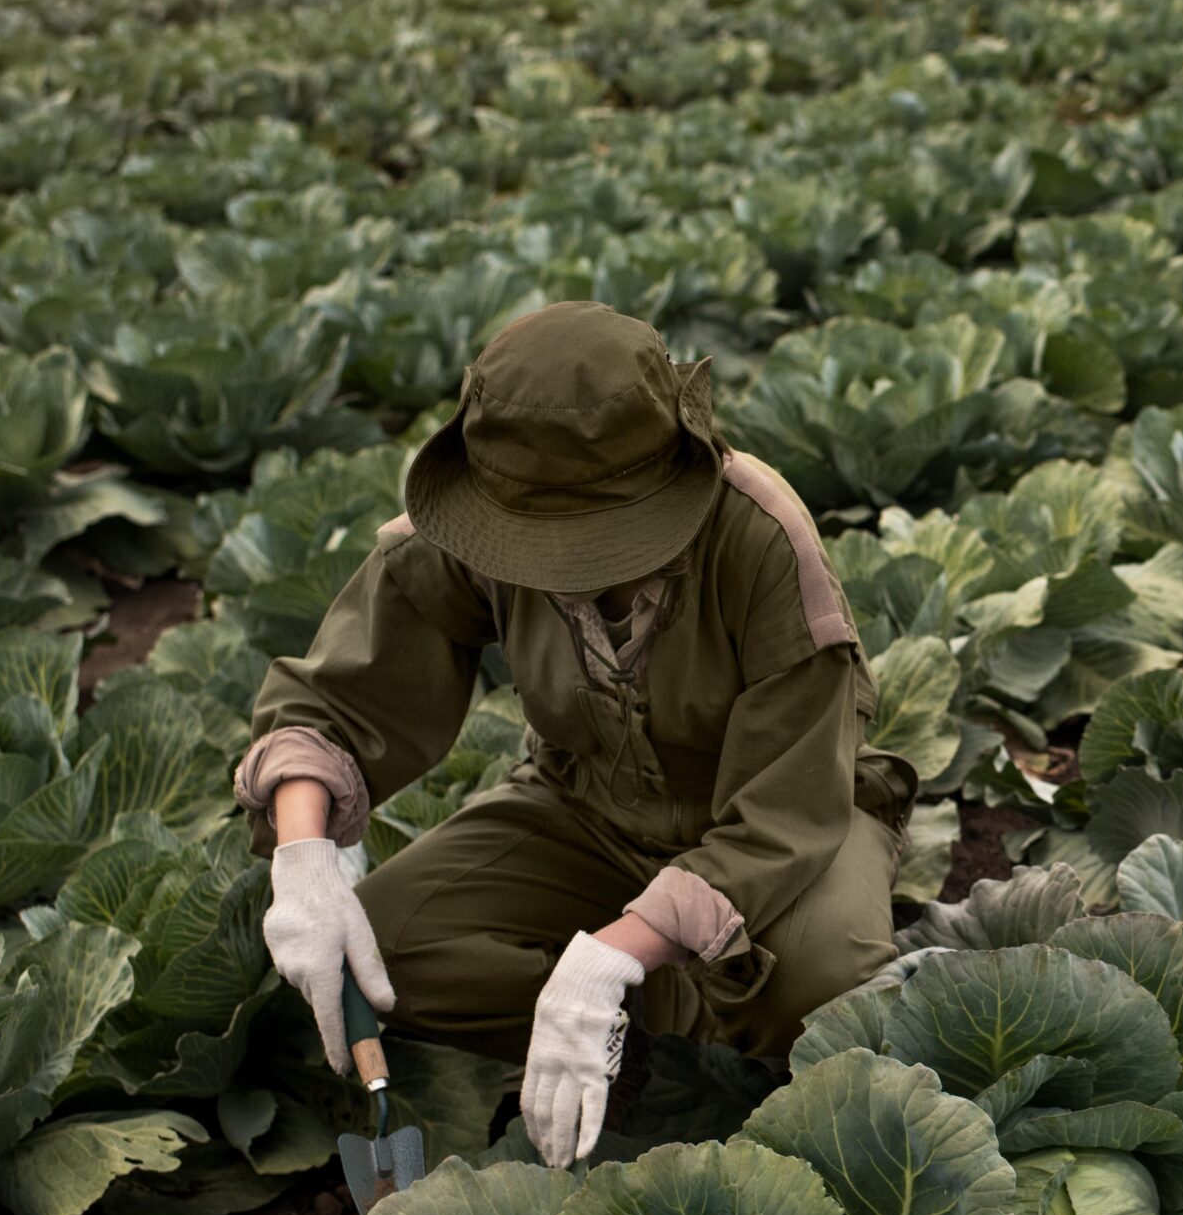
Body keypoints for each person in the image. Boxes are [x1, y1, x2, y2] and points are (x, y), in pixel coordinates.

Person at [232, 301, 915, 1169]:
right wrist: (304, 861)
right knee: (385, 947)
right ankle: (643, 1024)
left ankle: (663, 995)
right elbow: (335, 695)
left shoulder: (762, 540)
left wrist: (611, 956)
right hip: (584, 811)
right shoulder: (477, 518)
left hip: (773, 834)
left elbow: (785, 814)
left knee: (830, 991)